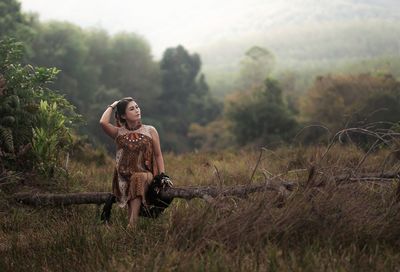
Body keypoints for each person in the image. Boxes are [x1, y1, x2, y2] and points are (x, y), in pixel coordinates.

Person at [99, 97, 169, 227]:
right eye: (132, 109)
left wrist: (162, 176)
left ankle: (132, 224)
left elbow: (158, 155)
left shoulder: (150, 130)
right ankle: (131, 231)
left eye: (137, 107)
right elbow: (103, 123)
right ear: (123, 116)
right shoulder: (118, 132)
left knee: (138, 177)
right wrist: (113, 105)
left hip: (146, 175)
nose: (137, 110)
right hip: (123, 178)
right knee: (134, 179)